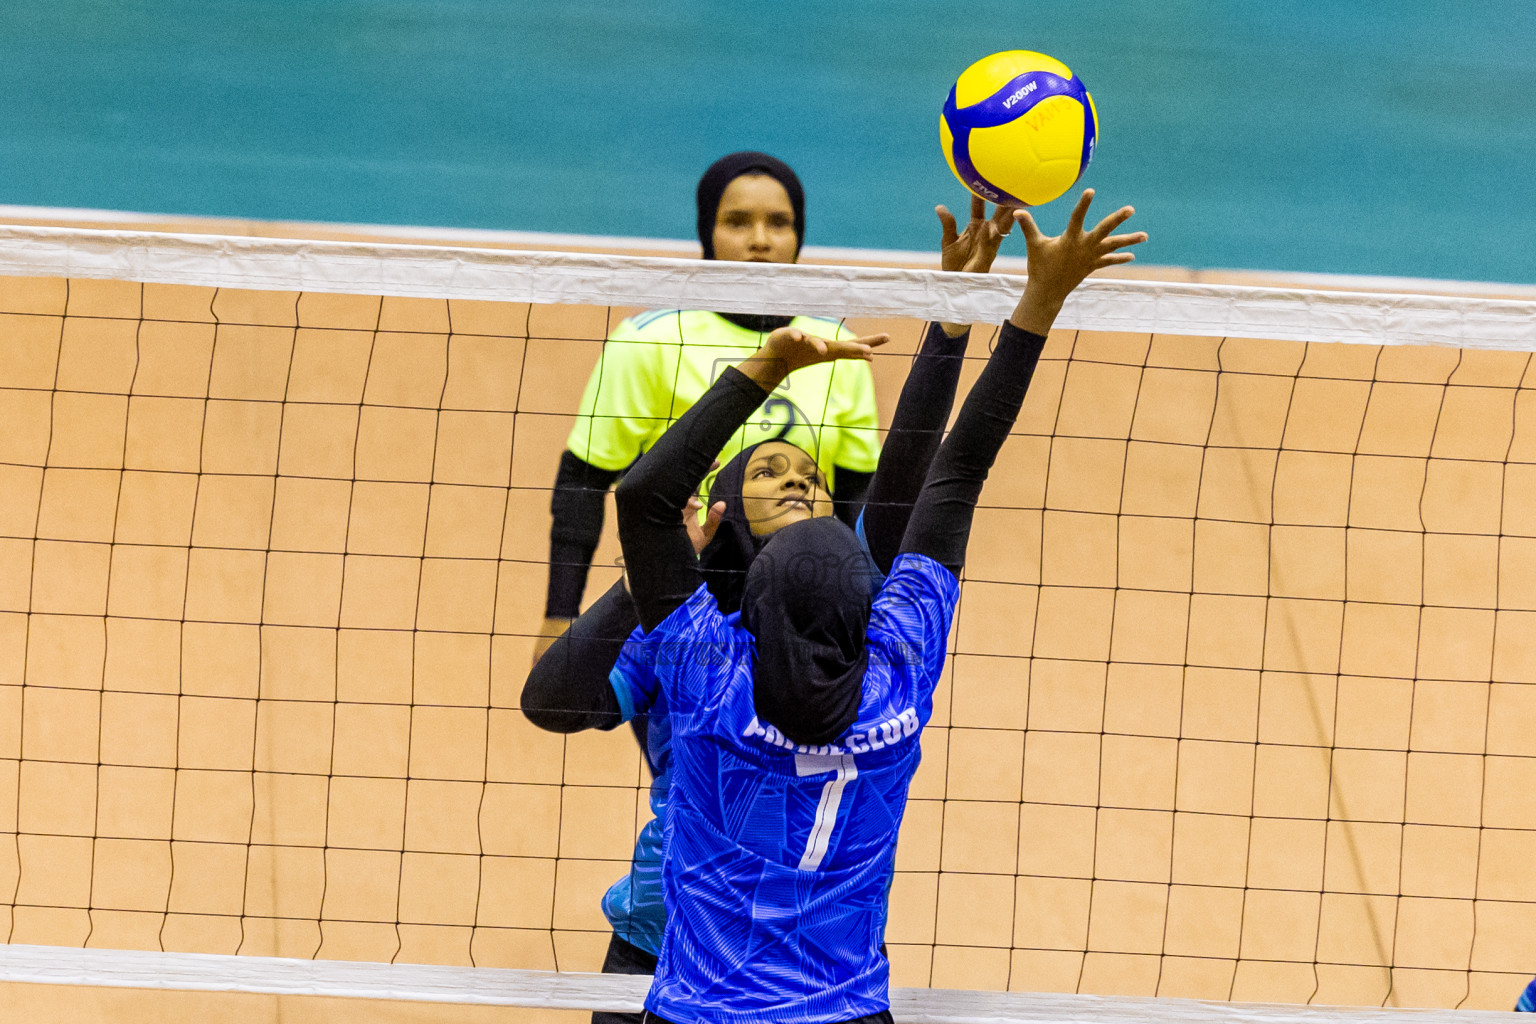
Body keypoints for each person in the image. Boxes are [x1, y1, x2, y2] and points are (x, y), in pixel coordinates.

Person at [614, 189, 1143, 1024]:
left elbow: (642, 501)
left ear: (750, 604)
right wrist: (1035, 303)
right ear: (870, 602)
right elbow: (955, 473)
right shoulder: (896, 666)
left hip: (699, 1014)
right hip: (849, 1010)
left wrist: (766, 367)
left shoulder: (711, 678)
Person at [522, 199, 1017, 1024]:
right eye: (767, 474)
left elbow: (915, 476)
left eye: (809, 477)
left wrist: (952, 320)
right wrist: (656, 575)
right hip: (663, 939)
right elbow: (553, 703)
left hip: (797, 960)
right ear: (719, 514)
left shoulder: (840, 608)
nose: (797, 479)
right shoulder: (681, 629)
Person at [537, 151, 883, 662]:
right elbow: (584, 481)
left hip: (799, 601)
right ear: (708, 231)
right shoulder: (651, 341)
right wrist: (560, 614)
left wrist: (863, 604)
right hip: (675, 598)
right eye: (737, 221)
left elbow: (859, 498)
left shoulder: (836, 347)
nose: (760, 239)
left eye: (779, 223)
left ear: (799, 234)